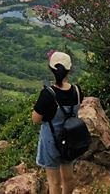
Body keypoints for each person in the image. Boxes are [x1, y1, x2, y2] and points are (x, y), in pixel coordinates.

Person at [32, 51, 83, 194]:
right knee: (69, 178)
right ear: (69, 70)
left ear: (51, 69)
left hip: (51, 141)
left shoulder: (48, 94)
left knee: (54, 183)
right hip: (70, 139)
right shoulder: (77, 91)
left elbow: (36, 119)